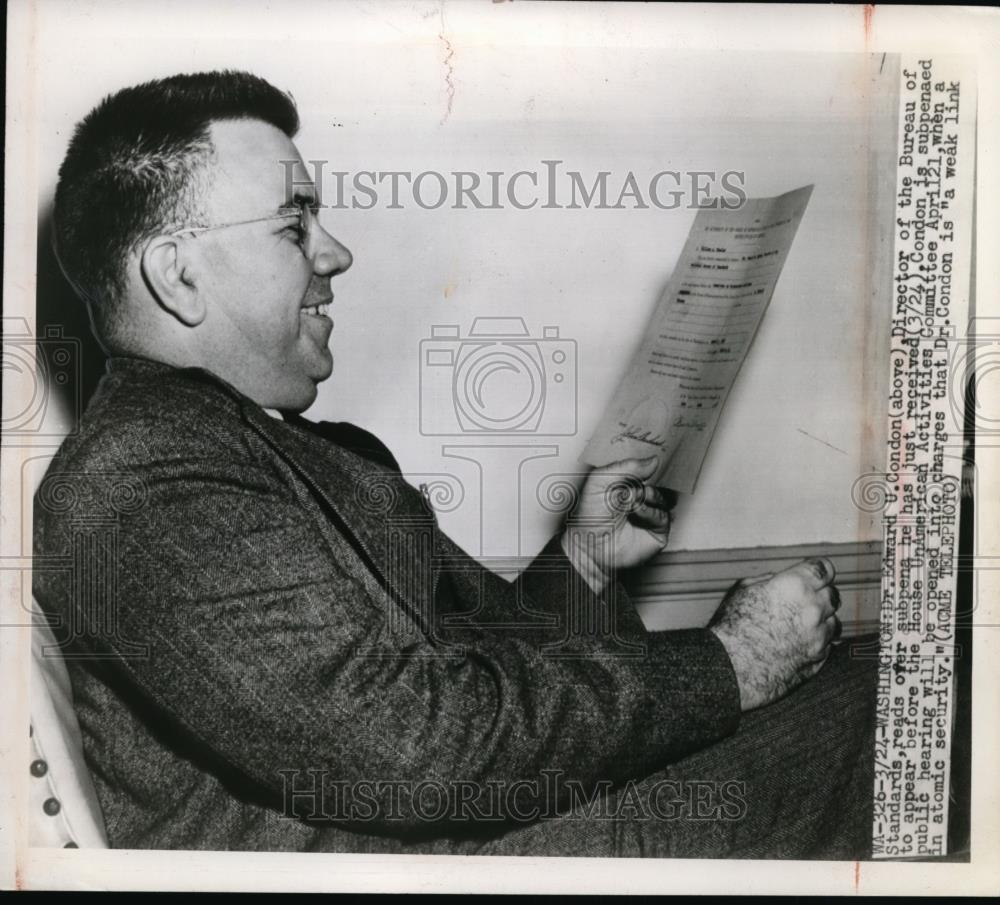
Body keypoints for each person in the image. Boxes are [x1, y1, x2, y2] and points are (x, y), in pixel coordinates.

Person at [34, 70, 876, 857]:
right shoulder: (142, 477)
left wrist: (583, 557)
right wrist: (731, 662)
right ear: (177, 276)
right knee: (882, 699)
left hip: (469, 837)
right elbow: (414, 749)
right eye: (294, 225)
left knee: (879, 684)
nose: (335, 253)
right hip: (419, 868)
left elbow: (476, 675)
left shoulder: (262, 445)